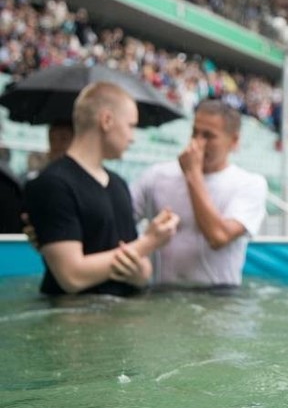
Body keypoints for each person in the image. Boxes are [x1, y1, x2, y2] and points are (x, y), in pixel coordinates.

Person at [24, 82, 180, 296]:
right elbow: (72, 276)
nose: (132, 137)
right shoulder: (53, 184)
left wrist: (139, 271)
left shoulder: (119, 184)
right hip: (75, 320)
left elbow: (144, 270)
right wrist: (151, 241)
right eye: (131, 126)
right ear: (107, 121)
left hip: (120, 316)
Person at [131, 99, 268, 288]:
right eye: (195, 133)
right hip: (161, 294)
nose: (198, 143)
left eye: (209, 136)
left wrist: (193, 174)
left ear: (234, 141)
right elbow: (120, 220)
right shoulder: (157, 175)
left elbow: (218, 237)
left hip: (219, 297)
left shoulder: (250, 184)